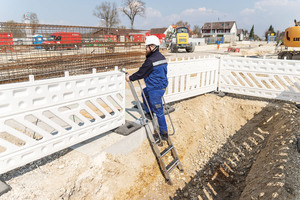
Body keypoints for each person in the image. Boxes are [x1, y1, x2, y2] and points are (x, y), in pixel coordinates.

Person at [125, 35, 169, 141]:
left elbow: (141, 73)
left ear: (152, 47)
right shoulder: (161, 57)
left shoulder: (151, 61)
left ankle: (164, 134)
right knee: (144, 92)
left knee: (159, 111)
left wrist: (130, 78)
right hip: (160, 86)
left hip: (155, 90)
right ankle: (149, 113)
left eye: (147, 47)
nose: (145, 49)